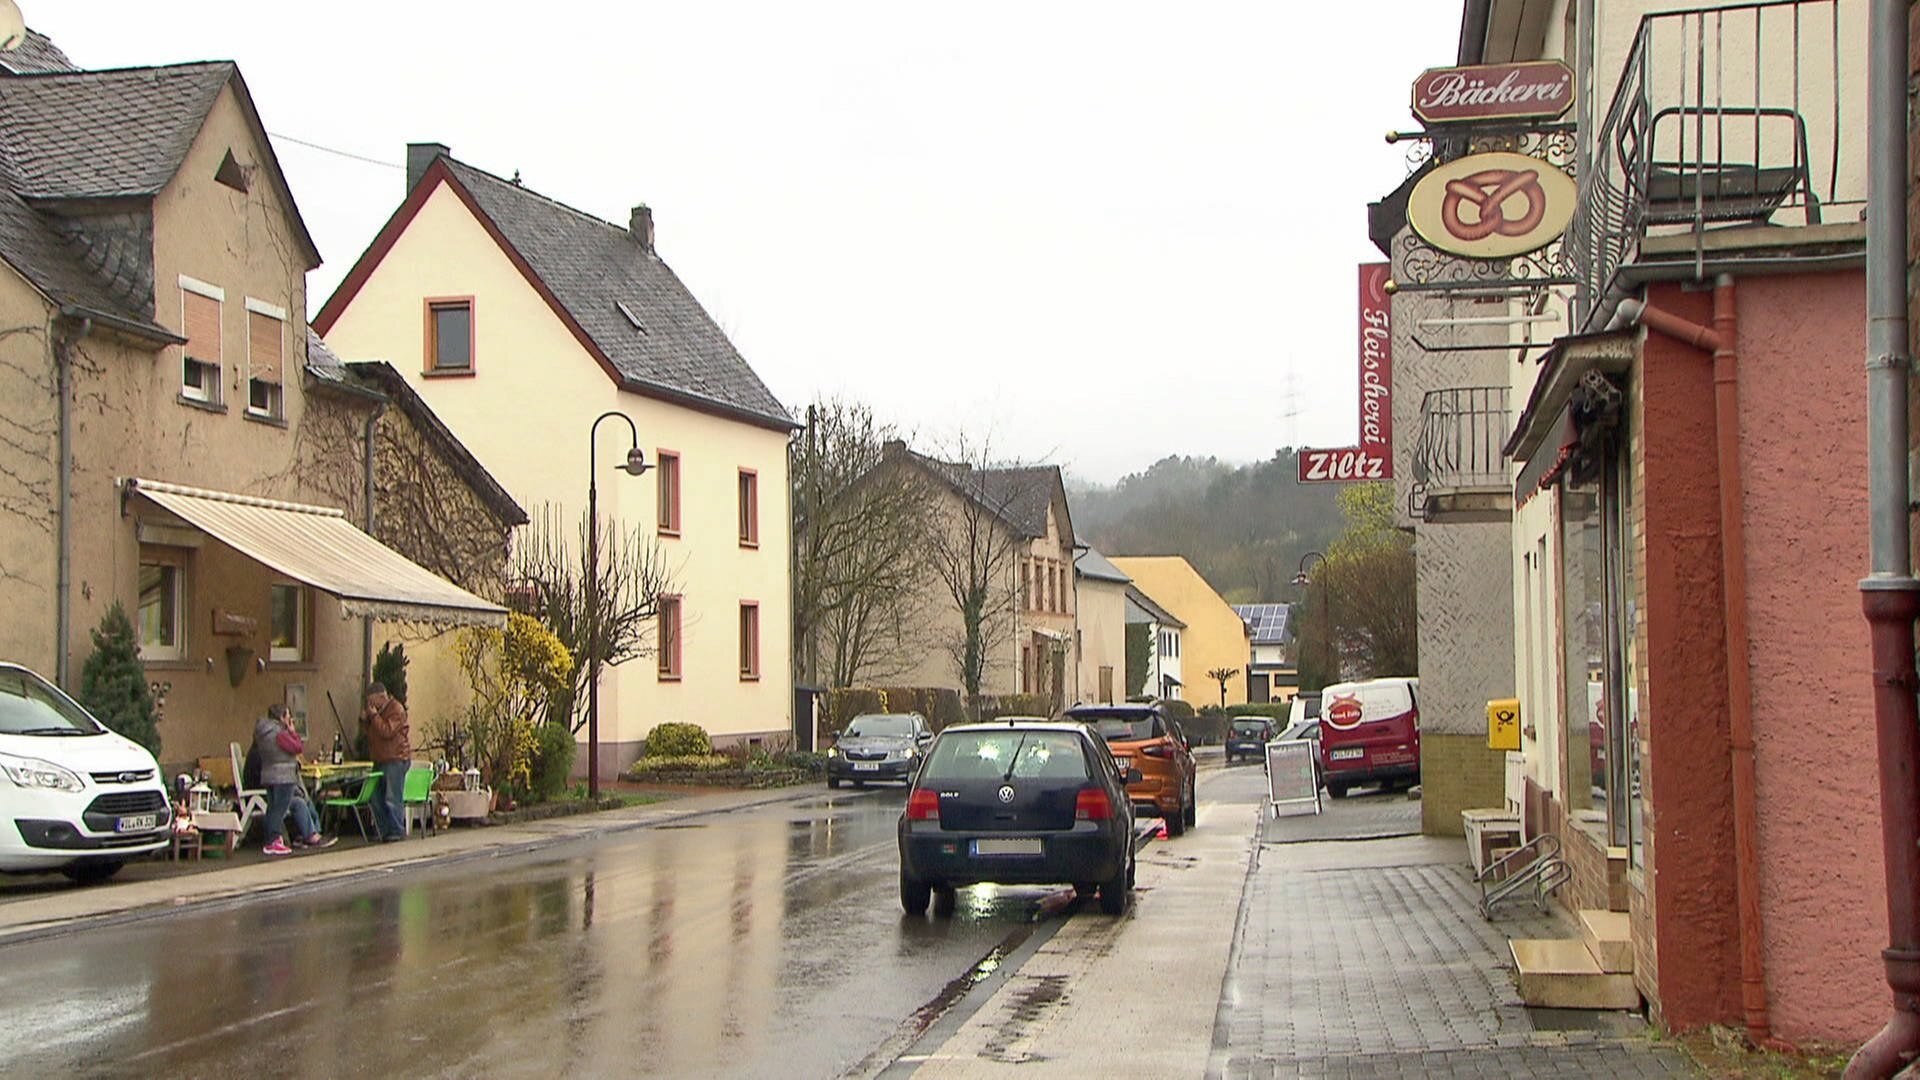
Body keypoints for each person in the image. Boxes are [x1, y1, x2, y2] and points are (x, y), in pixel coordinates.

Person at [253, 704, 337, 856]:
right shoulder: (280, 733)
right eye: (287, 716)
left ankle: (272, 840)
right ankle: (274, 840)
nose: (290, 719)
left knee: (273, 807)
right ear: (281, 717)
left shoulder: (263, 732)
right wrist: (292, 732)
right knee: (280, 808)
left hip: (268, 774)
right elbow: (297, 747)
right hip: (283, 776)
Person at [361, 682, 410, 843]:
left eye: (372, 701)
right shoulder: (378, 713)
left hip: (395, 758)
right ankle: (383, 830)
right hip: (380, 759)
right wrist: (366, 721)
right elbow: (372, 734)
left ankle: (396, 830)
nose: (370, 705)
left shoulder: (396, 709)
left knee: (392, 797)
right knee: (375, 797)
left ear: (381, 697)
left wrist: (374, 716)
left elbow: (387, 731)